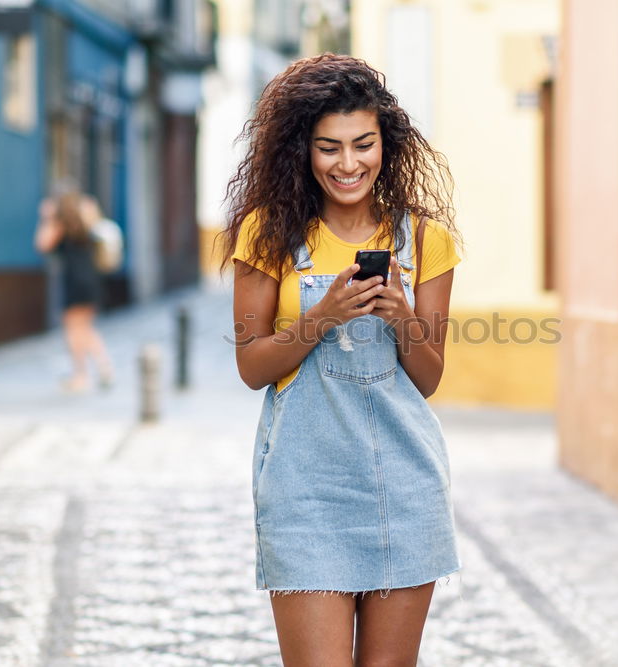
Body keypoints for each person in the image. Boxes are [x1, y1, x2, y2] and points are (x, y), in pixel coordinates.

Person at [224, 53, 463, 666]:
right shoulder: (267, 234)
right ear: (303, 150)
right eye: (330, 148)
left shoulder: (424, 240)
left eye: (364, 144)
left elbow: (429, 379)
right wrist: (322, 316)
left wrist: (401, 316)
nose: (348, 164)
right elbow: (253, 367)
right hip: (305, 490)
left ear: (388, 144)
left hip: (406, 487)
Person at [35, 191, 114, 393]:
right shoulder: (85, 221)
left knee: (73, 329)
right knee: (85, 327)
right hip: (91, 279)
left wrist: (47, 217)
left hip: (74, 281)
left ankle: (81, 375)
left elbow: (42, 244)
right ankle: (104, 366)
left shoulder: (60, 225)